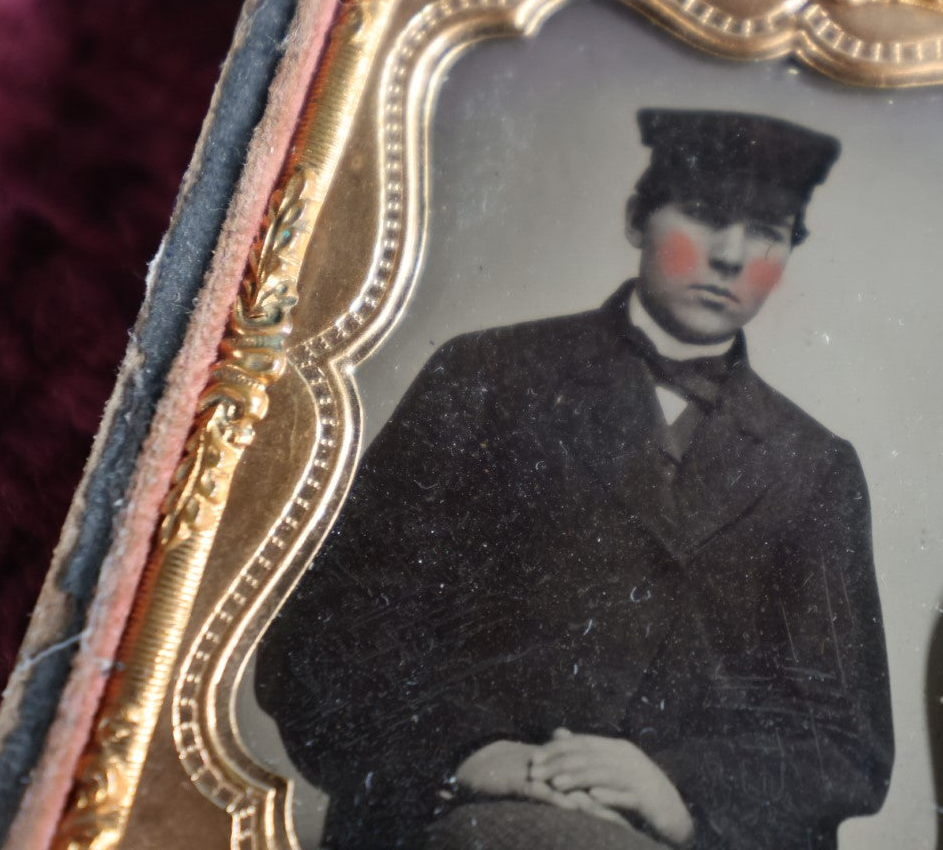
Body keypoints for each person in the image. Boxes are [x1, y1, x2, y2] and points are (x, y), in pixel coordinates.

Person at [256, 109, 893, 850]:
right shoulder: (487, 376)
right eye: (704, 215)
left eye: (768, 232)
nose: (730, 255)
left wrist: (677, 792)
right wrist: (472, 755)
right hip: (455, 811)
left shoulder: (812, 464)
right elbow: (328, 633)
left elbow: (842, 743)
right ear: (636, 219)